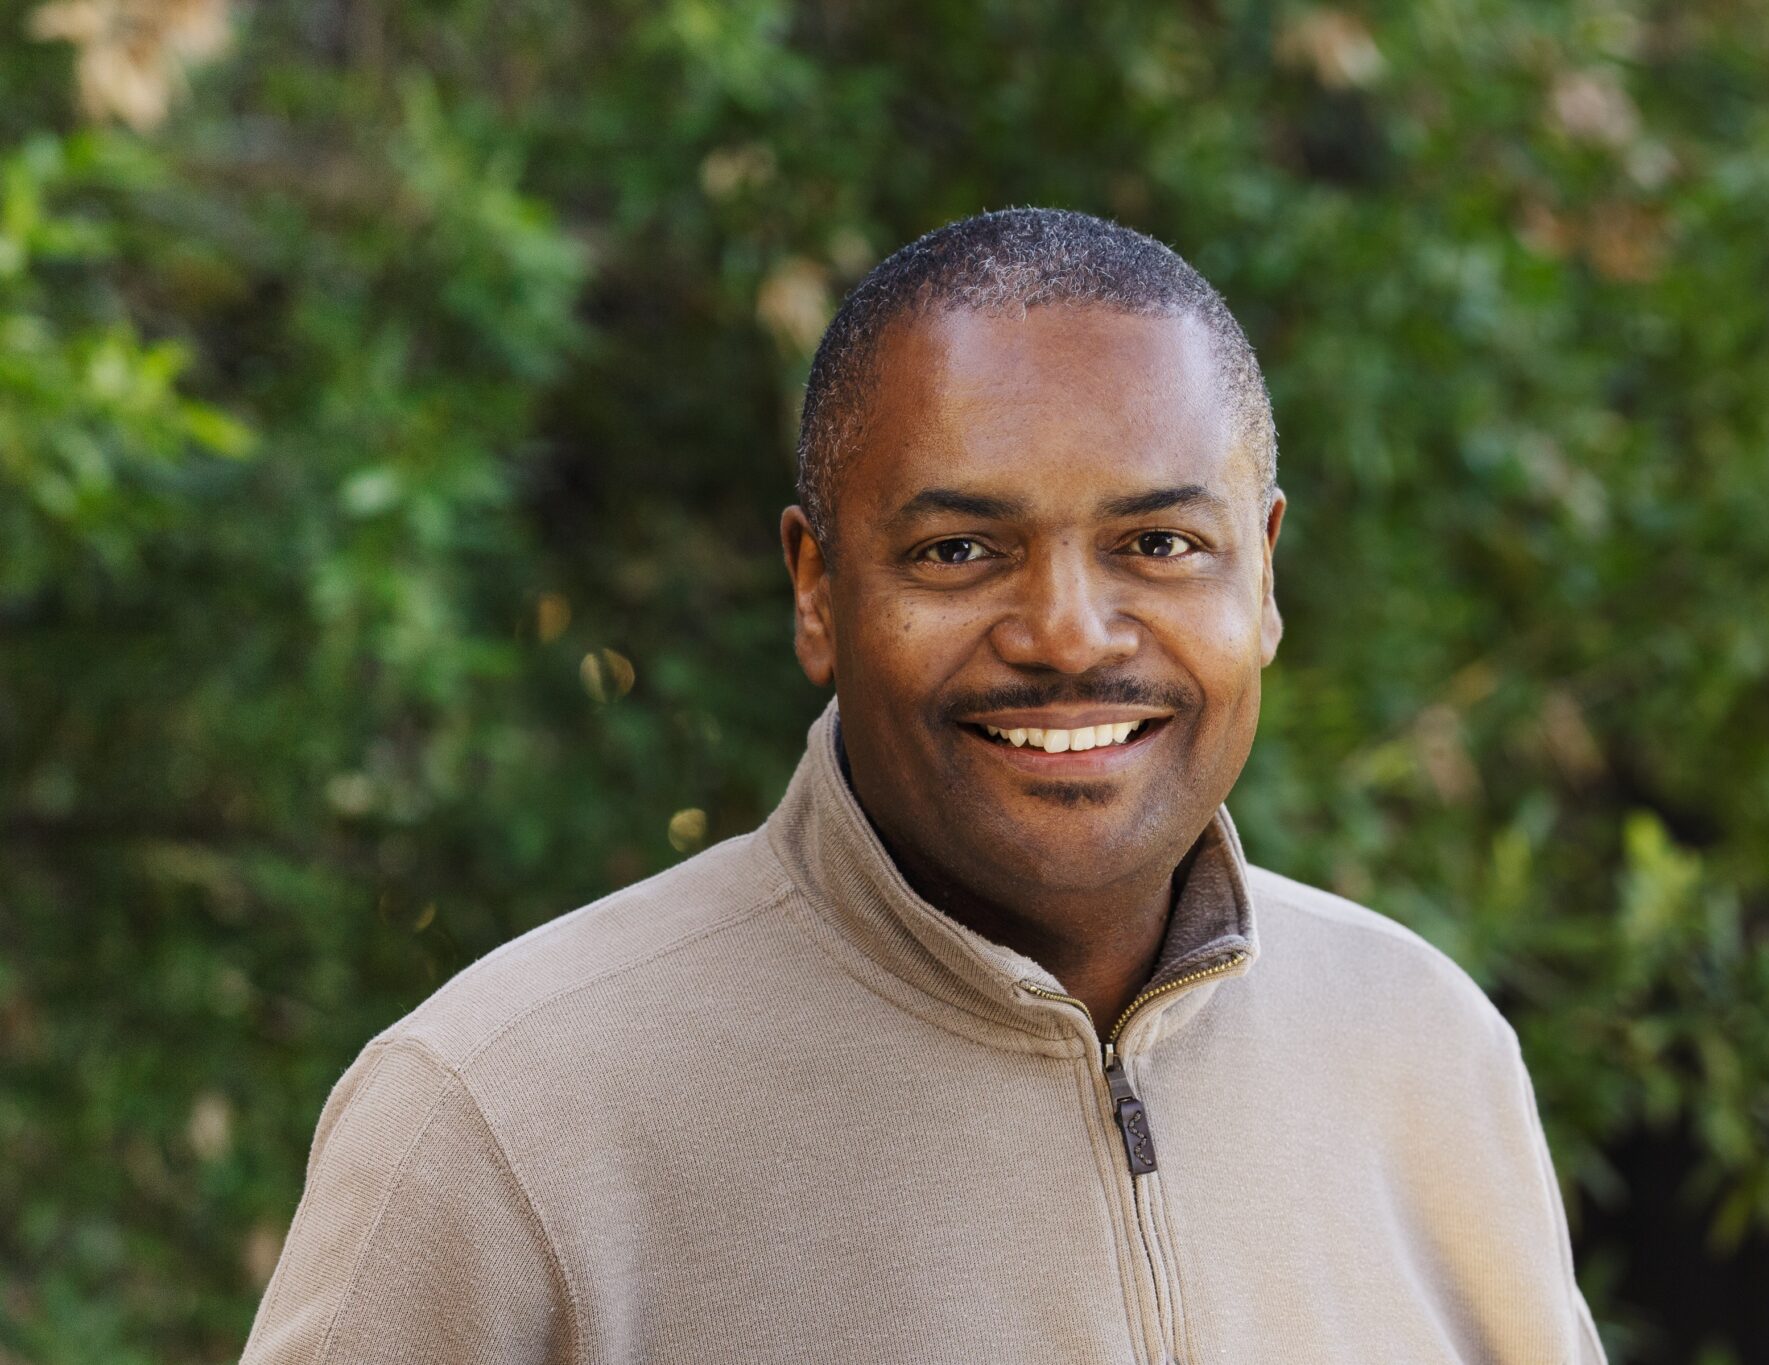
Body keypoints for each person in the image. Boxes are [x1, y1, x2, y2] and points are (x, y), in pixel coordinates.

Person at [240, 208, 1605, 1364]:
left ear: (1264, 575)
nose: (1070, 631)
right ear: (818, 589)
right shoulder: (507, 1110)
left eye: (1159, 541)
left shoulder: (1421, 1047)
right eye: (960, 551)